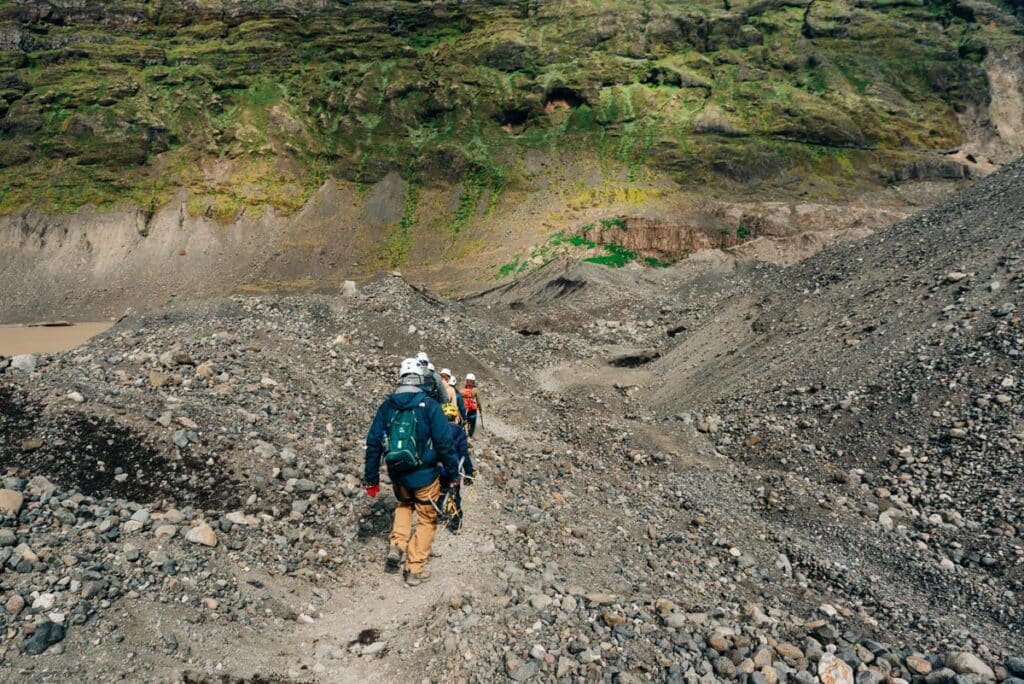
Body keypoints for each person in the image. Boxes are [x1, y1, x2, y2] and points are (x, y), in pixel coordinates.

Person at [363, 357, 457, 586]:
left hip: (397, 473)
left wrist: (371, 478)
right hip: (425, 474)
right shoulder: (429, 405)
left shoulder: (387, 406)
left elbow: (373, 443)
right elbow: (444, 442)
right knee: (427, 517)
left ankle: (397, 544)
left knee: (404, 504)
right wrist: (453, 473)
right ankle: (414, 569)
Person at [440, 402, 474, 533]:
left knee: (440, 490)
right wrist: (469, 472)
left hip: (439, 468)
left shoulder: (437, 430)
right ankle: (455, 524)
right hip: (455, 468)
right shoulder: (459, 432)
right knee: (455, 495)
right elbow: (464, 454)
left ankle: (438, 513)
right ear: (456, 418)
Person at [460, 373, 482, 438]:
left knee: (463, 422)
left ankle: (462, 435)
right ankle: (470, 436)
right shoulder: (475, 390)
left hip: (464, 408)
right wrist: (480, 409)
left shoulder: (462, 390)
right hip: (472, 409)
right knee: (472, 423)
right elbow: (479, 401)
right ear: (473, 381)